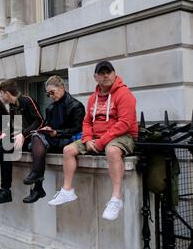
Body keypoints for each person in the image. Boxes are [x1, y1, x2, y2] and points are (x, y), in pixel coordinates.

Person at [49, 61, 138, 221]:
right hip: (96, 137)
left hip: (122, 136)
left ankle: (116, 198)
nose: (106, 76)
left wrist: (100, 142)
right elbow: (86, 122)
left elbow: (125, 123)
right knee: (68, 150)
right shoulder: (93, 98)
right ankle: (68, 190)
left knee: (112, 151)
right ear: (95, 77)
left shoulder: (124, 94)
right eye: (102, 73)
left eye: (108, 72)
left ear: (114, 73)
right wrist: (88, 139)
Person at [22, 76, 86, 204]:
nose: (51, 96)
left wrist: (57, 132)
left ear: (62, 88)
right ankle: (37, 183)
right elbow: (48, 124)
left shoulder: (76, 106)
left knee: (37, 142)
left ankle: (38, 187)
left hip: (69, 139)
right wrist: (47, 128)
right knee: (36, 136)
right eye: (48, 94)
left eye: (52, 92)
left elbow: (77, 129)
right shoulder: (50, 108)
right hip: (54, 139)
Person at [0, 80, 44, 204]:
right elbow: (14, 126)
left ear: (7, 93)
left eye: (1, 94)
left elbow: (39, 121)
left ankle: (6, 190)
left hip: (32, 138)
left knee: (4, 148)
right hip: (19, 138)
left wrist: (23, 134)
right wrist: (5, 134)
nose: (0, 97)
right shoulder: (12, 105)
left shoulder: (27, 100)